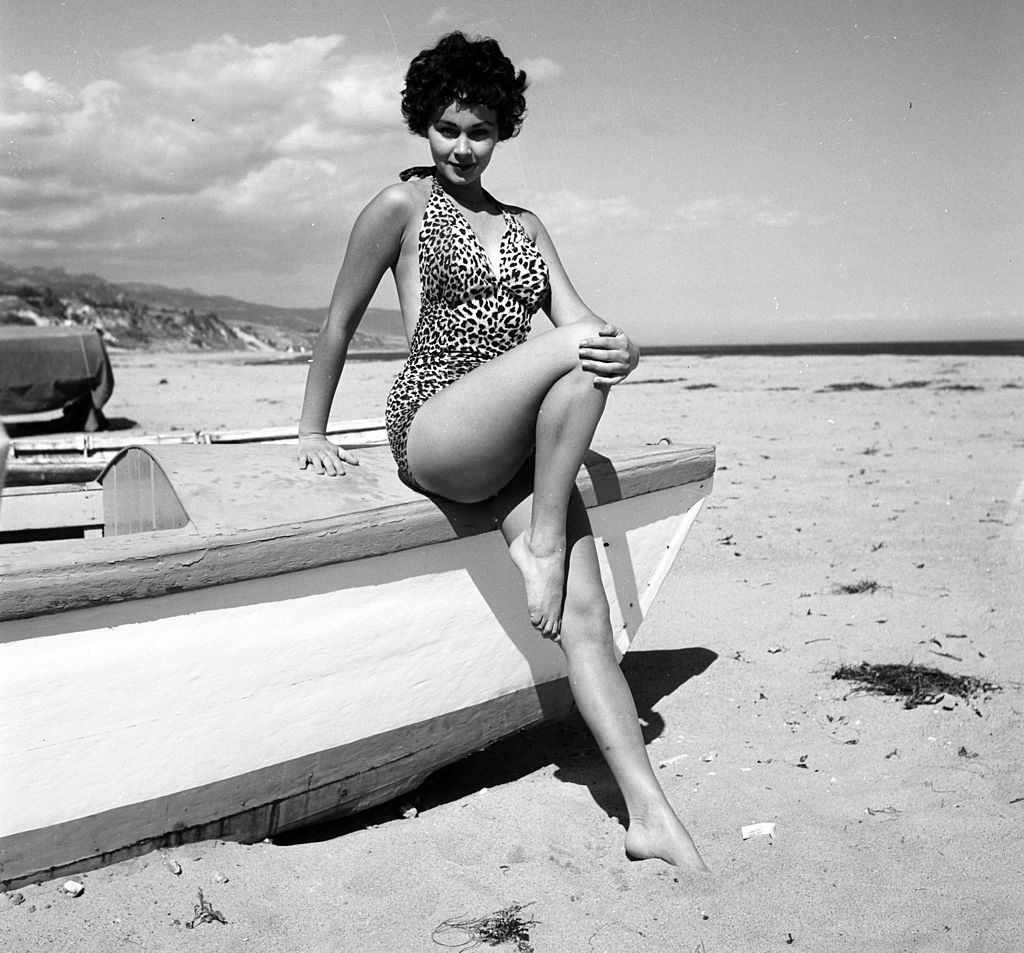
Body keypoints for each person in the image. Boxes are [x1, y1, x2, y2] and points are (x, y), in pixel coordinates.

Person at [297, 31, 707, 871]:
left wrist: (627, 353)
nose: (461, 147)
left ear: (502, 131)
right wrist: (311, 430)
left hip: (512, 444)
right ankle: (545, 538)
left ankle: (649, 813)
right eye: (447, 128)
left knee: (588, 620)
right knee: (579, 346)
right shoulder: (400, 207)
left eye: (479, 130)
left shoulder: (524, 224)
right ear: (424, 124)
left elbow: (587, 323)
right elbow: (338, 320)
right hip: (437, 420)